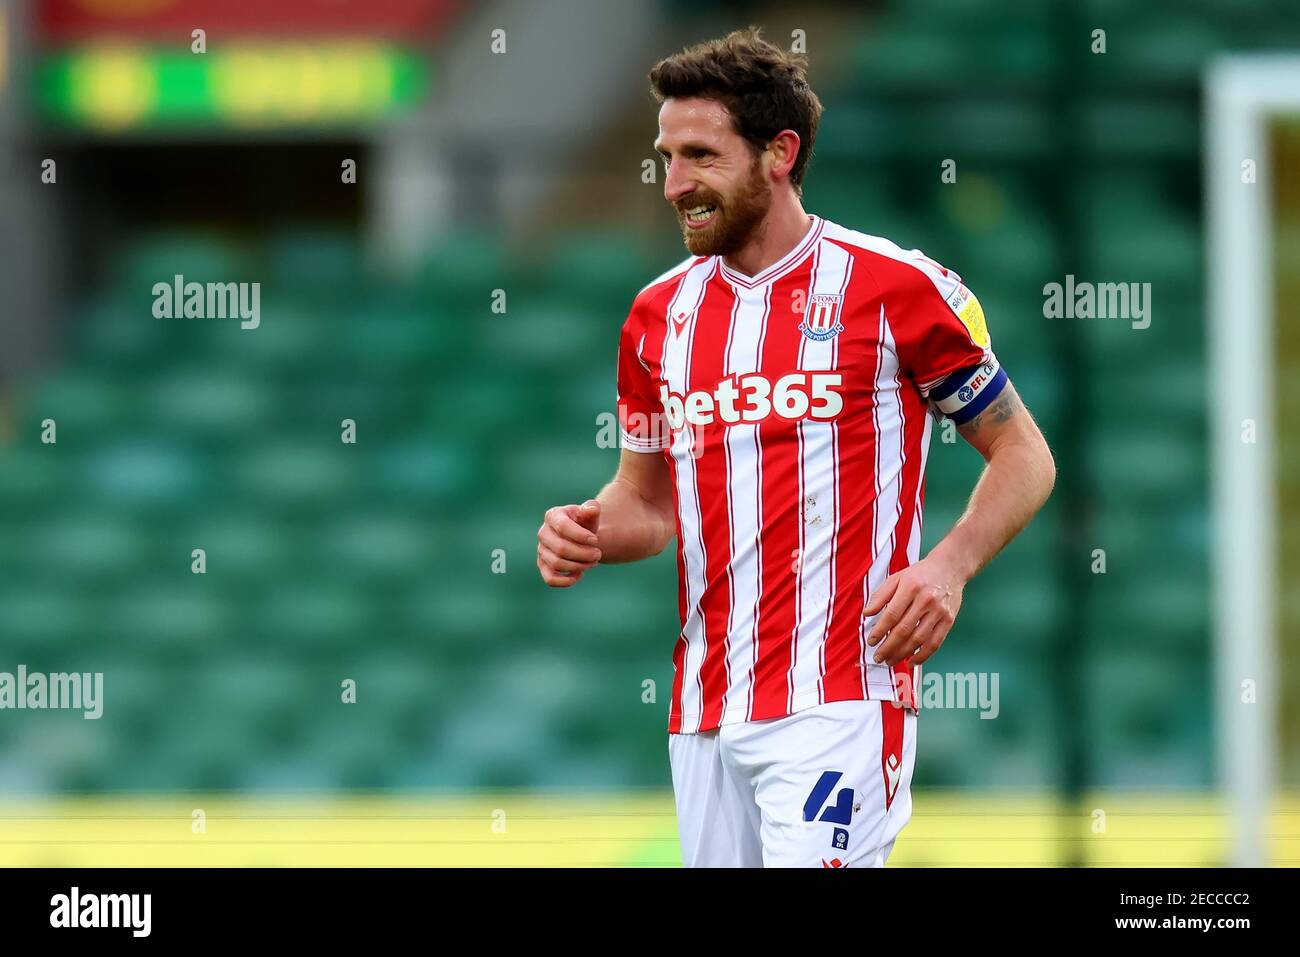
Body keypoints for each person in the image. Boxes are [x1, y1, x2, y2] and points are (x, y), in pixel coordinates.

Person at [537, 26, 1056, 867]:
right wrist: (589, 529)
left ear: (779, 153)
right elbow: (646, 503)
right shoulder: (656, 317)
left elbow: (1026, 457)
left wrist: (946, 568)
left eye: (700, 156)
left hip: (841, 696)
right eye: (666, 157)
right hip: (705, 709)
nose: (674, 184)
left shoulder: (895, 288)